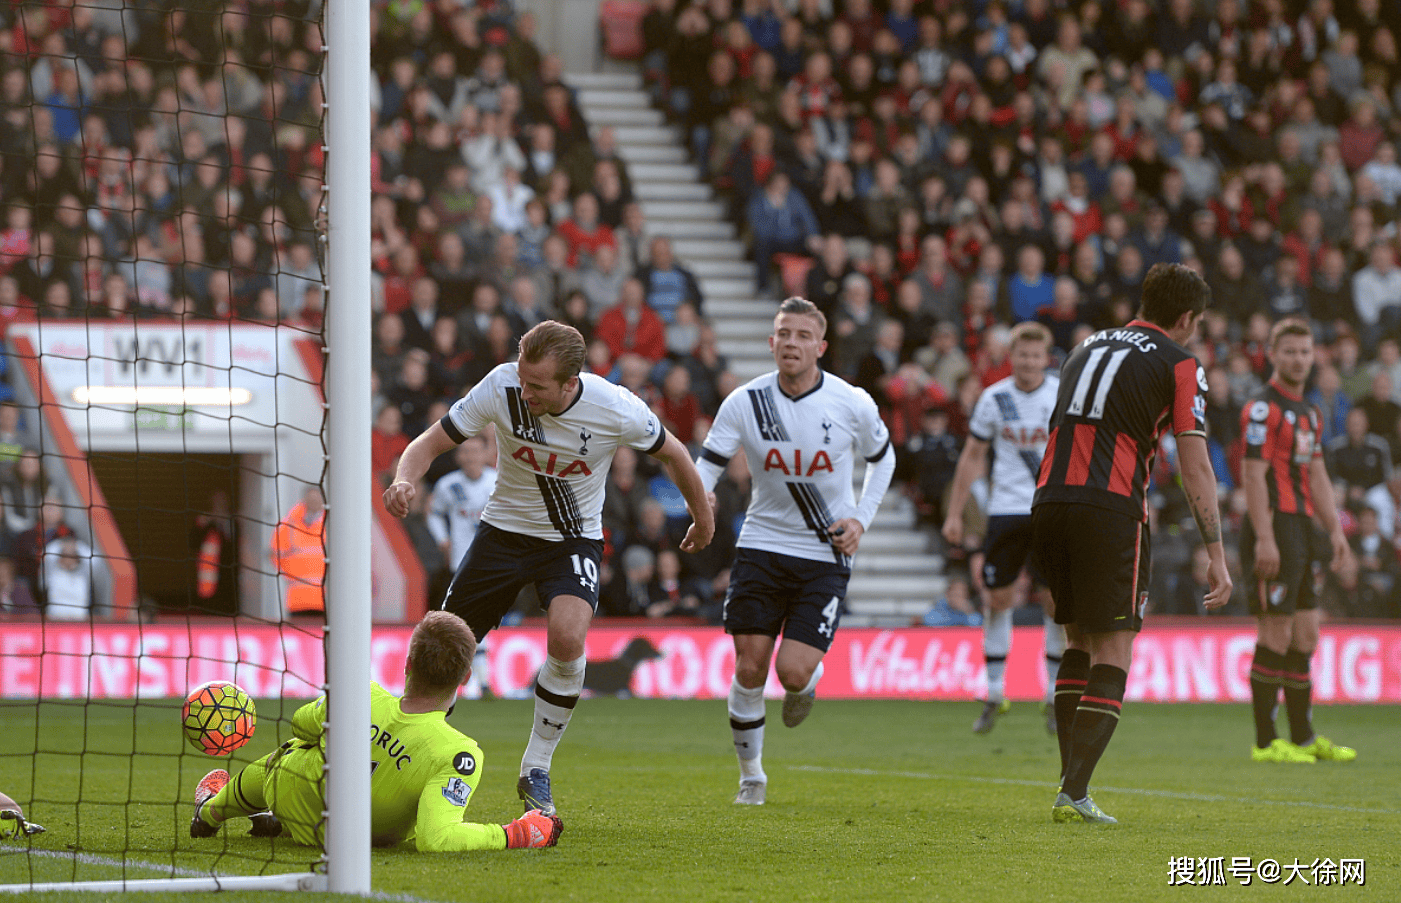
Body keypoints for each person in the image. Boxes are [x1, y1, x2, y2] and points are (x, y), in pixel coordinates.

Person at [384, 321, 714, 816]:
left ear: (569, 382)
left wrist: (703, 520)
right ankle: (400, 761)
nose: (525, 390)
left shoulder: (614, 407)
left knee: (566, 636)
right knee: (442, 647)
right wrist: (404, 479)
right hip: (502, 533)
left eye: (537, 385)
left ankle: (536, 765)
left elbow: (676, 454)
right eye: (523, 377)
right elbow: (430, 442)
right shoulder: (501, 385)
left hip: (572, 539)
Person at [1031, 263, 1232, 824]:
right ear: (1187, 318)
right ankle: (1074, 792)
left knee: (1077, 641)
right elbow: (1195, 465)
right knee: (1114, 647)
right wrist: (1216, 553)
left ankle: (1071, 787)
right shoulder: (1180, 361)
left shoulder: (1086, 346)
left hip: (1049, 499)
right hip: (1109, 506)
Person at [695, 298, 895, 806]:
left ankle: (805, 685)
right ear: (771, 342)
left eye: (803, 336)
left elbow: (884, 458)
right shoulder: (746, 400)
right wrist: (703, 500)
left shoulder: (851, 402)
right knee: (749, 669)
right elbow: (709, 461)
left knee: (792, 672)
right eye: (784, 333)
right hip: (762, 544)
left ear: (820, 347)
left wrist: (860, 519)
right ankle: (752, 778)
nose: (791, 343)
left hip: (825, 550)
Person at [189, 611, 563, 851]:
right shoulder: (458, 754)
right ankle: (265, 817)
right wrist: (516, 833)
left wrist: (331, 721)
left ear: (408, 663)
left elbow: (300, 723)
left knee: (290, 751)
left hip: (298, 799)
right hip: (364, 836)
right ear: (466, 677)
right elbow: (439, 838)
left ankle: (210, 814)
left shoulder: (363, 694)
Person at [1239, 318, 1356, 764]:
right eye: (1289, 351)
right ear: (1272, 353)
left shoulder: (1310, 411)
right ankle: (1267, 742)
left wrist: (1333, 528)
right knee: (1275, 629)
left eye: (1305, 352)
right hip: (1273, 525)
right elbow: (1253, 474)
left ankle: (1304, 738)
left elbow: (1317, 472)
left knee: (1305, 635)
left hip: (1303, 528)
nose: (1298, 359)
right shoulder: (1262, 409)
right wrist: (1264, 538)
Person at [942, 322, 1064, 735]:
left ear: (1045, 358)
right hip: (1007, 509)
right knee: (998, 598)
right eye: (1022, 355)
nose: (1029, 362)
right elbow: (973, 456)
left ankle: (1053, 695)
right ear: (1012, 357)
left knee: (1055, 601)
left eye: (1036, 355)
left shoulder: (1060, 394)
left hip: (1051, 509)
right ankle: (994, 691)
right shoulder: (994, 399)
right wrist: (955, 513)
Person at [428, 435, 498, 570]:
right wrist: (442, 539)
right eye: (465, 451)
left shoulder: (500, 481)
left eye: (475, 451)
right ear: (457, 456)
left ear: (486, 454)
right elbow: (434, 513)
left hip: (496, 558)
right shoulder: (447, 484)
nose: (470, 457)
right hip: (461, 558)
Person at [271, 485, 326, 619]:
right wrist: (292, 575)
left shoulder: (331, 524)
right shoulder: (288, 525)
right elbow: (275, 555)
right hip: (297, 600)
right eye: (311, 499)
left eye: (317, 499)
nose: (314, 503)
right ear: (304, 500)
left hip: (325, 600)